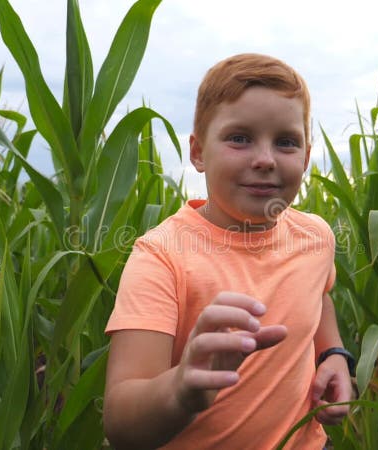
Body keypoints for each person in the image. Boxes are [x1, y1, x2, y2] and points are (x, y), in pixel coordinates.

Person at [103, 53, 353, 450]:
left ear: (306, 158)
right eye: (240, 138)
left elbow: (318, 297)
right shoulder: (161, 257)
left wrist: (334, 353)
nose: (265, 160)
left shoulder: (315, 237)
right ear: (199, 152)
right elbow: (120, 421)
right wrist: (180, 390)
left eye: (286, 142)